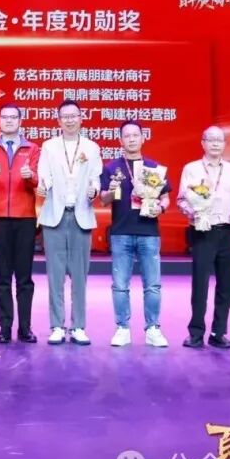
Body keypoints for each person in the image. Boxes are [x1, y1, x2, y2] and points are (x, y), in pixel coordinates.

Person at [100, 120, 171, 348]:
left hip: (149, 232)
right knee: (120, 285)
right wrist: (111, 192)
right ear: (120, 140)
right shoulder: (111, 168)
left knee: (153, 285)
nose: (131, 139)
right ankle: (122, 328)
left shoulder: (154, 168)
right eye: (127, 136)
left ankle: (153, 328)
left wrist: (161, 207)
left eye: (135, 135)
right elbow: (103, 199)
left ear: (143, 138)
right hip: (121, 232)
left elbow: (166, 197)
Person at [37, 100, 102, 346]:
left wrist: (94, 190)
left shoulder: (91, 147)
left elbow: (96, 177)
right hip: (55, 215)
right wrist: (44, 185)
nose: (70, 120)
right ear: (58, 120)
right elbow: (44, 174)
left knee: (79, 276)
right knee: (55, 276)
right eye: (65, 116)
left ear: (81, 118)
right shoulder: (49, 146)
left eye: (74, 115)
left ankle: (78, 326)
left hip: (81, 215)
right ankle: (56, 325)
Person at [176, 126, 230, 350]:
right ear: (202, 143)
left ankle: (219, 332)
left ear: (224, 144)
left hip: (228, 231)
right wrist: (193, 212)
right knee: (200, 284)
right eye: (210, 139)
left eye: (219, 140)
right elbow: (181, 200)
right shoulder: (191, 168)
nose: (215, 143)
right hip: (202, 231)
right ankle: (196, 332)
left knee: (228, 283)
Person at [0, 103, 41, 344]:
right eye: (4, 117)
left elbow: (39, 180)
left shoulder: (32, 149)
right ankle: (5, 327)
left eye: (13, 117)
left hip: (25, 218)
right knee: (3, 276)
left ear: (20, 121)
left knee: (24, 277)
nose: (9, 120)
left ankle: (25, 328)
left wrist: (31, 176)